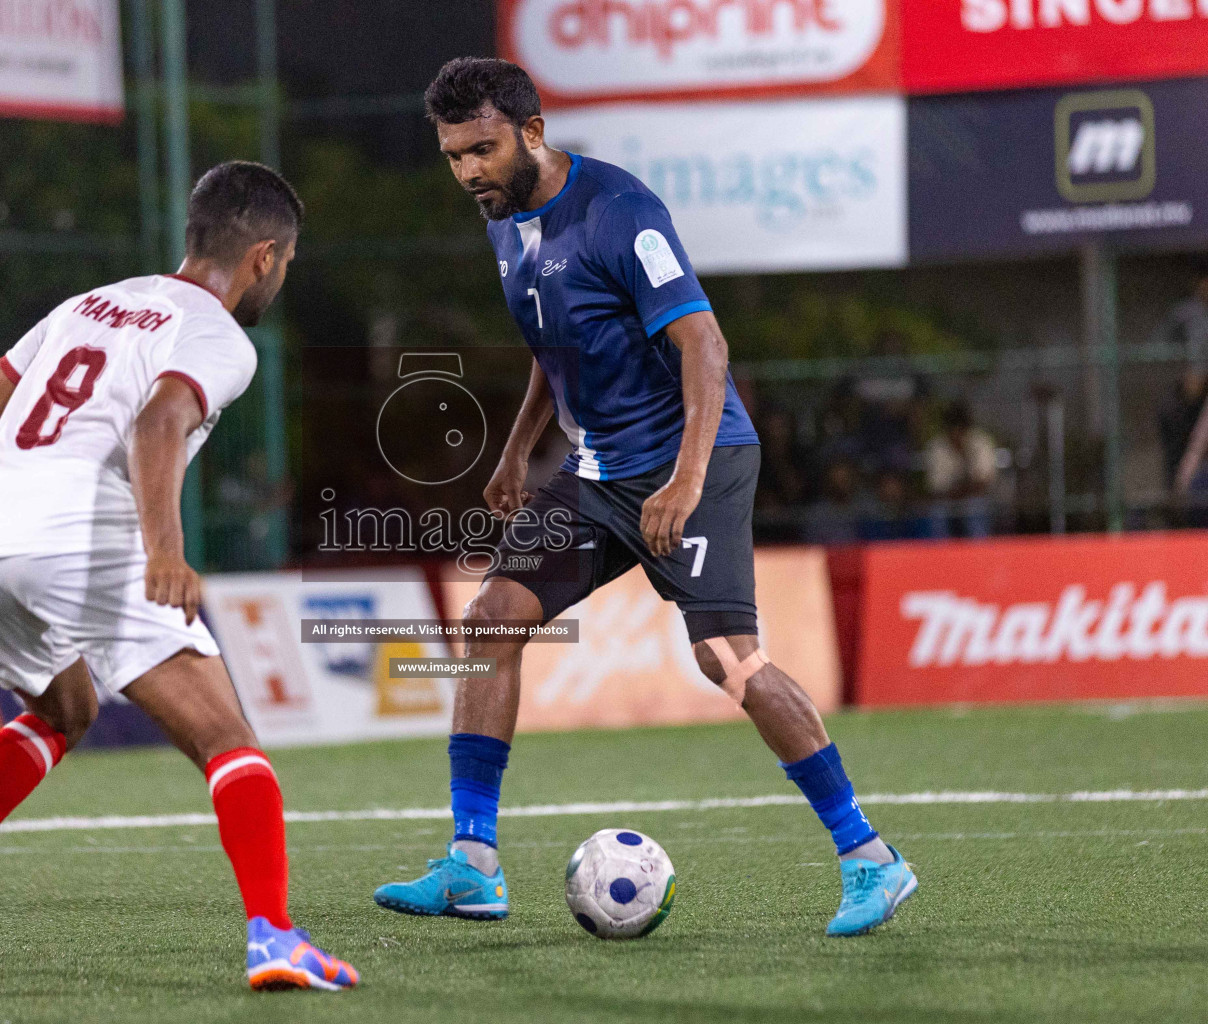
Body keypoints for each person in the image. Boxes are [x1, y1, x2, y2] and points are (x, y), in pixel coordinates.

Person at [372, 58, 916, 938]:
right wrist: (516, 452)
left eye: (481, 149)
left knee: (729, 662)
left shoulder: (622, 212)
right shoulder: (506, 224)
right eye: (453, 156)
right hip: (600, 470)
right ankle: (472, 866)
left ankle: (871, 859)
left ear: (531, 131)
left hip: (692, 462)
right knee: (488, 622)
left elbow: (705, 345)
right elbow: (558, 348)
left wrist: (686, 479)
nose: (469, 171)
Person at [0, 162, 357, 992]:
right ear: (263, 257)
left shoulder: (90, 303)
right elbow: (159, 420)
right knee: (228, 742)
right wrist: (164, 550)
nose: (280, 278)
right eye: (285, 264)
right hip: (78, 536)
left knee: (63, 708)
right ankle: (275, 938)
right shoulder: (217, 334)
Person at [923, 401, 998, 538]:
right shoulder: (937, 447)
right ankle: (939, 555)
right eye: (952, 429)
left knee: (975, 508)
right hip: (947, 500)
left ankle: (980, 553)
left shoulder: (981, 442)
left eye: (960, 429)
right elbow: (936, 487)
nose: (956, 433)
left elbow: (983, 482)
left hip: (975, 499)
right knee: (937, 512)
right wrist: (958, 491)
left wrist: (965, 454)